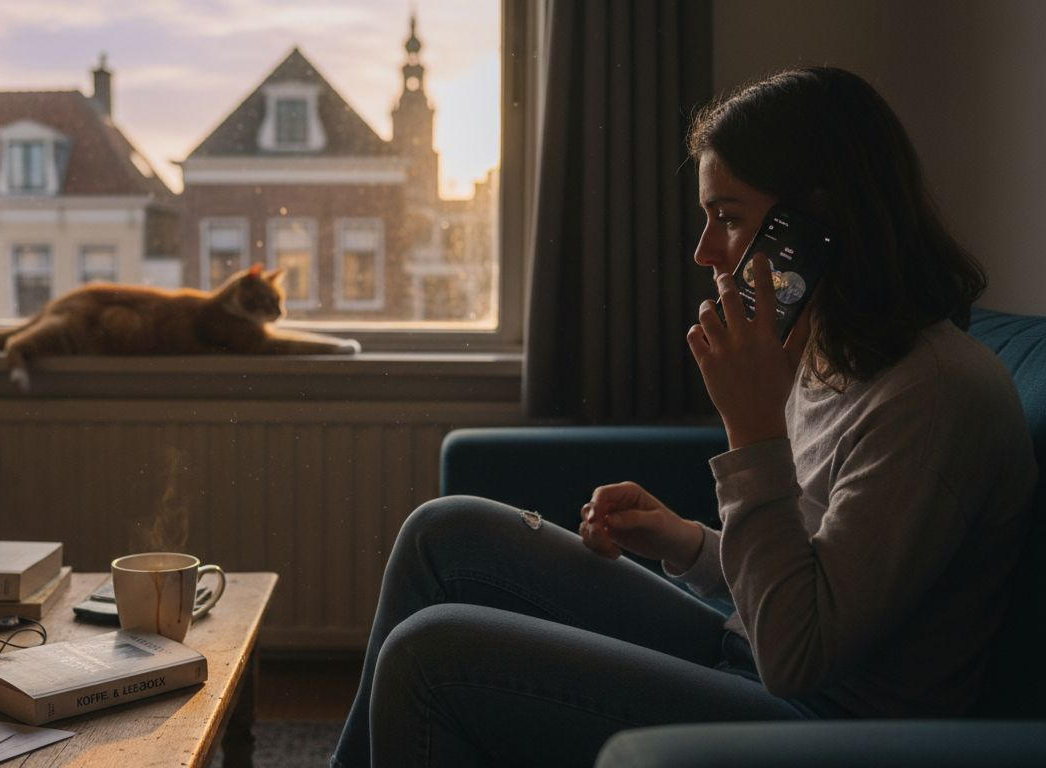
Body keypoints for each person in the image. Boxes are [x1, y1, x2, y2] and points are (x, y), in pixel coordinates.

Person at [329, 66, 1038, 767]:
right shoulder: (831, 347)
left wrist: (754, 428)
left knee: (432, 657)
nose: (703, 252)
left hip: (823, 718)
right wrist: (689, 543)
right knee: (443, 535)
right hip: (750, 651)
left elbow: (801, 651)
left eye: (728, 218)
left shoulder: (933, 396)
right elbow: (812, 568)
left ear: (815, 225)